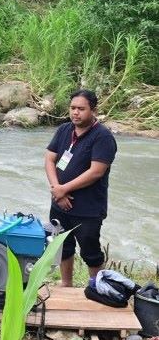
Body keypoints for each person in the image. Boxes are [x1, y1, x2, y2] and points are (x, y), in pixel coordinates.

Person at [44, 89, 118, 287]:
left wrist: (63, 188)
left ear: (93, 110)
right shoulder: (64, 130)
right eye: (73, 108)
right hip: (59, 203)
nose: (76, 112)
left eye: (81, 109)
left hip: (88, 209)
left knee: (90, 252)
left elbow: (96, 171)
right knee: (62, 246)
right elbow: (50, 158)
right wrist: (57, 189)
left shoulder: (102, 137)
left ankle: (97, 288)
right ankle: (66, 285)